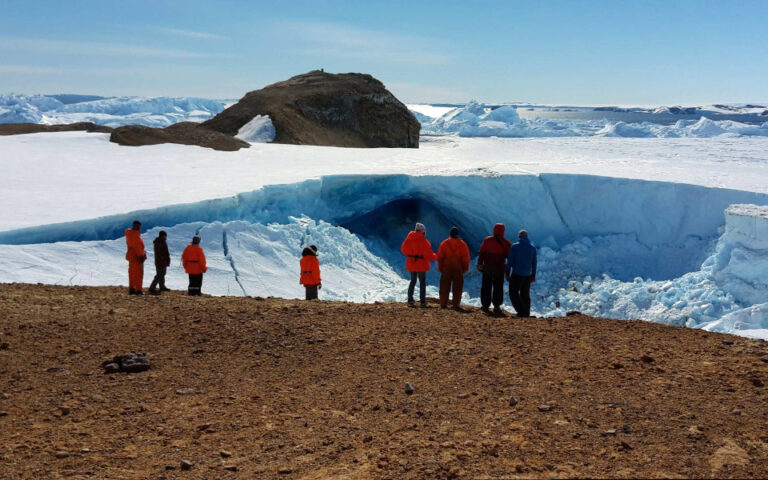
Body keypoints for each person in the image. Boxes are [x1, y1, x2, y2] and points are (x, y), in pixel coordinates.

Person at [477, 223, 511, 315]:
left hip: (487, 267)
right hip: (499, 269)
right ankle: (496, 306)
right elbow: (509, 257)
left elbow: (482, 253)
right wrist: (508, 270)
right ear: (503, 231)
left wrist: (479, 264)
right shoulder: (506, 243)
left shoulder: (487, 240)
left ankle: (485, 305)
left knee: (486, 287)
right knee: (498, 287)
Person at [400, 222, 437, 307]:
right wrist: (437, 256)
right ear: (423, 232)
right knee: (422, 282)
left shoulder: (409, 238)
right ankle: (423, 302)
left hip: (411, 263)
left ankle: (410, 300)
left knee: (413, 281)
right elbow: (429, 255)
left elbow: (403, 249)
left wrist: (411, 254)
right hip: (421, 264)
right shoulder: (424, 241)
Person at [437, 226, 470, 309]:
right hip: (458, 268)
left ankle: (443, 304)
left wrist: (440, 268)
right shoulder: (462, 244)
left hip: (446, 268)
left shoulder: (444, 243)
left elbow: (440, 257)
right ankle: (455, 304)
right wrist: (465, 268)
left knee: (444, 286)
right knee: (457, 287)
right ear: (457, 234)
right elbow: (466, 257)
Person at [506, 229, 537, 317]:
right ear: (527, 237)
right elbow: (534, 263)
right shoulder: (532, 248)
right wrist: (533, 275)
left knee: (513, 292)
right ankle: (526, 312)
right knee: (525, 294)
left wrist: (507, 273)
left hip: (516, 274)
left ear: (519, 237)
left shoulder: (515, 247)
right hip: (527, 275)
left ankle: (521, 311)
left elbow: (510, 261)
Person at [125, 220, 146, 295]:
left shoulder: (129, 234)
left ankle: (132, 289)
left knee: (132, 273)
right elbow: (138, 247)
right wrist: (142, 256)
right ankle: (139, 290)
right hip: (136, 257)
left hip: (130, 256)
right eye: (139, 226)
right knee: (138, 273)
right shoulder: (136, 235)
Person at [148, 231, 171, 295]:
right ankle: (152, 287)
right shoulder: (159, 242)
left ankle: (162, 286)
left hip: (161, 261)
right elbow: (161, 253)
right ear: (161, 236)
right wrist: (164, 260)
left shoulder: (161, 241)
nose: (165, 237)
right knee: (159, 274)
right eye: (164, 236)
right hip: (160, 261)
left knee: (162, 274)